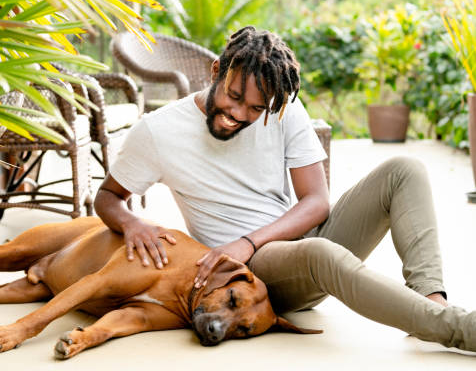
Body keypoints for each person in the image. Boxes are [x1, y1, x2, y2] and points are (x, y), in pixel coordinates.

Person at [94, 26, 476, 351]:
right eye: (235, 96)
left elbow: (316, 202)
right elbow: (108, 197)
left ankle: (431, 304)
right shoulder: (158, 131)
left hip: (296, 242)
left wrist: (251, 238)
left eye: (256, 109)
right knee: (319, 252)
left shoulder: (283, 106)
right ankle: (457, 329)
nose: (240, 114)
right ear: (215, 71)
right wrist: (131, 223)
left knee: (403, 169)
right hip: (251, 274)